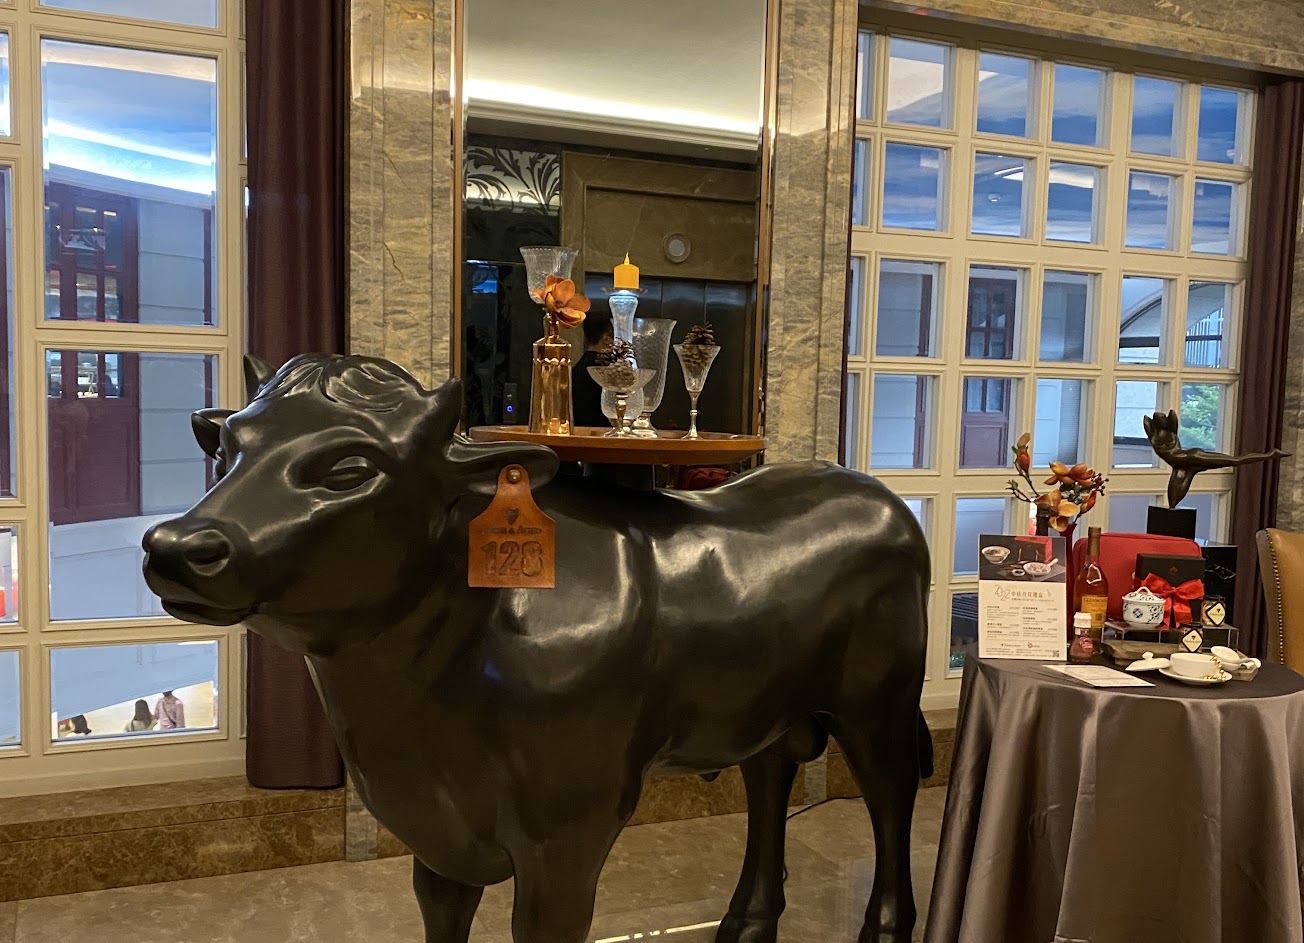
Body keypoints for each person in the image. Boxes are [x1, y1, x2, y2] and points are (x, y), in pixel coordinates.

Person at [571, 309, 613, 428]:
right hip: (601, 433)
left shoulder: (578, 367)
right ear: (606, 338)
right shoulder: (605, 370)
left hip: (579, 432)